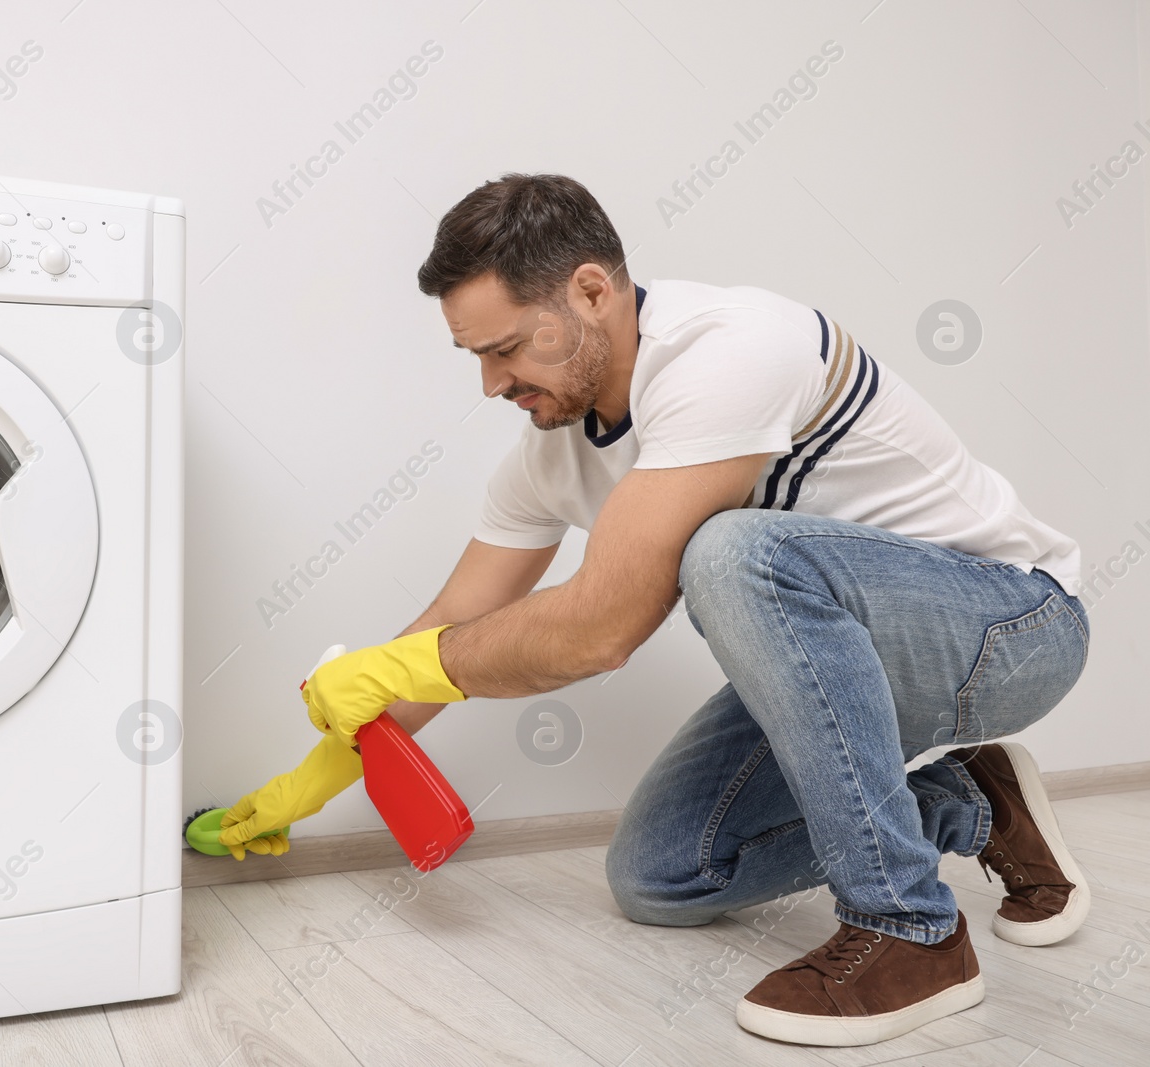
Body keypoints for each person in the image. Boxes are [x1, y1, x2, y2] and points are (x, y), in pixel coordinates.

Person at [218, 173, 1091, 1047]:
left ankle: (911, 930)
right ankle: (971, 798)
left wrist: (400, 667)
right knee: (662, 875)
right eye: (475, 356)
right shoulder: (546, 460)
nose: (491, 383)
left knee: (729, 549)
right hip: (842, 667)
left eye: (508, 347)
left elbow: (600, 630)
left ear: (592, 291)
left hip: (1011, 627)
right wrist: (322, 771)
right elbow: (450, 622)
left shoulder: (733, 350)